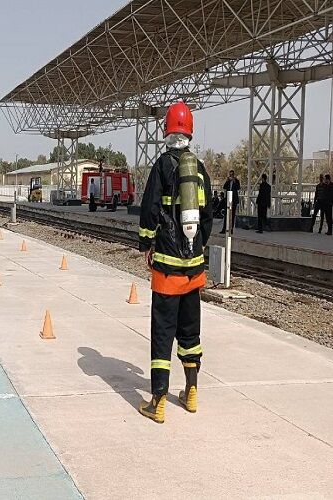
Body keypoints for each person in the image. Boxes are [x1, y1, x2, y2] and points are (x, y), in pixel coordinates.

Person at [138, 101, 212, 423]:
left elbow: (149, 209)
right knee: (189, 331)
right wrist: (197, 247)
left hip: (167, 269)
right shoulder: (200, 169)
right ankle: (192, 392)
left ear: (167, 131)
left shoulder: (162, 166)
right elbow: (209, 216)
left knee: (162, 332)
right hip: (193, 270)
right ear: (190, 131)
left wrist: (146, 242)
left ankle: (158, 401)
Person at [220, 169, 240, 233]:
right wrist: (227, 180)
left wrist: (234, 181)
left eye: (232, 175)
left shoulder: (236, 181)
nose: (231, 176)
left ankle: (231, 229)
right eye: (230, 175)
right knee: (226, 214)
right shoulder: (228, 181)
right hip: (228, 199)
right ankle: (224, 229)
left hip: (233, 200)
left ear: (234, 175)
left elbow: (238, 187)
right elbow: (224, 187)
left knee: (232, 215)